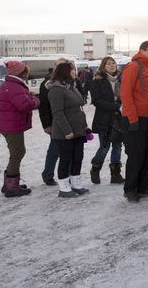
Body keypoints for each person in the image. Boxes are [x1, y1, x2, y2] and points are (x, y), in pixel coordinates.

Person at [120, 40, 148, 202]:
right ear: (142, 51)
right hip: (135, 118)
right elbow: (126, 94)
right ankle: (130, 188)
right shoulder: (133, 67)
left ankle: (143, 186)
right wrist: (132, 118)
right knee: (136, 154)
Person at [0, 61, 40, 197]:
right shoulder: (14, 86)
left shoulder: (11, 84)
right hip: (12, 125)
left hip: (8, 124)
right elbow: (24, 106)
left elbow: (18, 101)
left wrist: (28, 95)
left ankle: (8, 184)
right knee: (17, 153)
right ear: (21, 72)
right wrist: (36, 100)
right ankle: (12, 188)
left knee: (16, 152)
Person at [47, 62, 90, 198]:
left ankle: (76, 183)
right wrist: (67, 131)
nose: (75, 72)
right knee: (66, 158)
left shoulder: (71, 86)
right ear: (65, 71)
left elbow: (79, 106)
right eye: (72, 70)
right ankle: (64, 187)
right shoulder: (56, 89)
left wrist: (84, 126)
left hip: (78, 128)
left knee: (78, 156)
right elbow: (57, 112)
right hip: (64, 131)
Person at [39, 58, 83, 186]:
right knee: (56, 151)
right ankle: (49, 175)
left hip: (74, 124)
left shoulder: (73, 84)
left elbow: (80, 99)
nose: (74, 71)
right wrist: (47, 124)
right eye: (71, 69)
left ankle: (72, 178)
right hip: (58, 124)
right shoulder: (50, 85)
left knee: (73, 154)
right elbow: (46, 106)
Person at [89, 56, 124, 185]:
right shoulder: (97, 81)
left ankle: (115, 174)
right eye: (108, 64)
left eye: (113, 63)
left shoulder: (121, 79)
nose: (112, 65)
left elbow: (124, 95)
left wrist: (119, 103)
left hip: (118, 117)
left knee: (117, 145)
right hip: (103, 118)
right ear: (103, 67)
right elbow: (96, 100)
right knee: (104, 146)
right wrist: (113, 106)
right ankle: (95, 168)